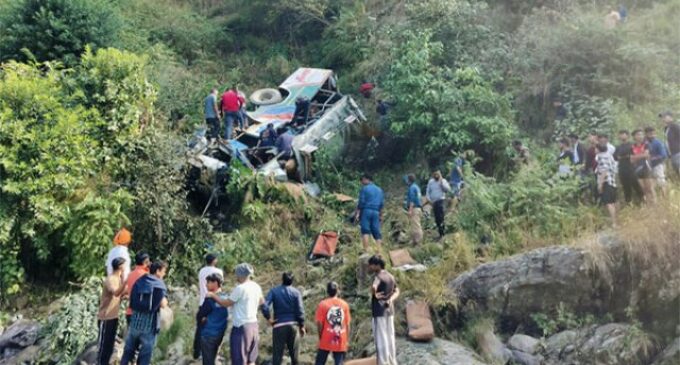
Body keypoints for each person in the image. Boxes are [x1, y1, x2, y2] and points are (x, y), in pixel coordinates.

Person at [209, 263, 264, 365]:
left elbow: (226, 303)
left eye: (237, 274)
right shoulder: (256, 286)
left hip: (241, 328)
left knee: (239, 360)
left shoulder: (240, 288)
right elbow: (261, 302)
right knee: (251, 360)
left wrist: (213, 296)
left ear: (240, 275)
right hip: (254, 326)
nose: (236, 277)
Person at [120, 261, 169, 365]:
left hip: (135, 321)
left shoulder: (140, 281)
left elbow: (132, 300)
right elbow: (163, 304)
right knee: (145, 355)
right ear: (157, 271)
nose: (164, 274)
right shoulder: (159, 284)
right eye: (164, 271)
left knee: (128, 350)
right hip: (149, 324)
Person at [261, 272, 306, 365]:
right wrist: (302, 326)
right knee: (295, 356)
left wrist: (269, 319)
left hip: (279, 325)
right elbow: (300, 311)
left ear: (282, 279)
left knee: (277, 357)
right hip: (293, 325)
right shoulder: (296, 292)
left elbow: (264, 306)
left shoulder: (274, 291)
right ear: (292, 280)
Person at [368, 255, 399, 365]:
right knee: (390, 336)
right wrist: (391, 299)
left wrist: (374, 293)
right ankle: (392, 360)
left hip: (379, 311)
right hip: (389, 311)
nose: (369, 267)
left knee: (381, 337)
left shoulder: (378, 277)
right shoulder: (390, 276)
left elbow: (374, 287)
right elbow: (397, 290)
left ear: (377, 265)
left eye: (371, 265)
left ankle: (383, 362)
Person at [97, 257, 128, 365]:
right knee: (103, 347)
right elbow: (115, 293)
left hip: (114, 317)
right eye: (124, 265)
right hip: (105, 318)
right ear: (120, 266)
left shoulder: (119, 279)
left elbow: (122, 294)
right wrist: (125, 282)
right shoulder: (110, 279)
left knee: (110, 346)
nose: (125, 267)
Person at [193, 254, 224, 359]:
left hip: (203, 301)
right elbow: (220, 286)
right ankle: (213, 353)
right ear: (215, 260)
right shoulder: (218, 272)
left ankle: (197, 352)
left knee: (200, 328)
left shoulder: (201, 271)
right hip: (214, 301)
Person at [314, 282, 351, 365]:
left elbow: (319, 323)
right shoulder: (344, 305)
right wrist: (346, 340)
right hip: (341, 337)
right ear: (337, 291)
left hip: (326, 337)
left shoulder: (322, 304)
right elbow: (347, 324)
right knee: (339, 362)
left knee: (320, 362)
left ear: (327, 291)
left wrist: (320, 336)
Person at [197, 273, 229, 365]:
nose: (206, 285)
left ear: (215, 283)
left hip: (208, 334)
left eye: (208, 282)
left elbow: (200, 315)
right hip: (220, 334)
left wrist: (202, 319)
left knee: (208, 361)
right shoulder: (226, 297)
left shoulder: (210, 299)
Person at [355, 174, 385, 251]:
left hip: (366, 211)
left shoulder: (365, 189)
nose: (362, 182)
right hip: (376, 212)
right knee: (376, 230)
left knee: (365, 230)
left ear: (366, 179)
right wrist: (381, 215)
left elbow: (361, 202)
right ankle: (379, 249)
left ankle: (366, 249)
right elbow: (381, 204)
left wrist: (358, 213)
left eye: (362, 180)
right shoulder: (379, 190)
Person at [614, 130, 644, 204]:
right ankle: (629, 203)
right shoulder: (618, 147)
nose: (622, 136)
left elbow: (635, 155)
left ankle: (643, 201)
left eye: (623, 134)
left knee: (636, 186)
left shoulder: (632, 145)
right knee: (626, 187)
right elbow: (615, 157)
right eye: (620, 134)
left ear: (627, 136)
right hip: (622, 169)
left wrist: (624, 157)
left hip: (631, 168)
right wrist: (621, 157)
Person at [630, 129, 655, 204]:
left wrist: (636, 156)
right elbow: (631, 160)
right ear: (634, 136)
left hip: (646, 167)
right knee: (643, 189)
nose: (640, 136)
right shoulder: (632, 146)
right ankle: (648, 204)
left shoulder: (646, 144)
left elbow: (646, 155)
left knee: (649, 188)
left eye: (641, 134)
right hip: (637, 169)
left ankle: (655, 204)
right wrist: (641, 155)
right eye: (638, 135)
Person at [125, 252, 151, 324]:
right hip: (142, 314)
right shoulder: (146, 276)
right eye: (148, 261)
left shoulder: (130, 275)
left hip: (130, 312)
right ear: (144, 262)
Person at [596, 144, 618, 227]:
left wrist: (600, 184)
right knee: (613, 202)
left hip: (606, 182)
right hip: (612, 181)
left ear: (598, 149)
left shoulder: (601, 157)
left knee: (609, 203)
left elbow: (604, 171)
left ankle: (613, 222)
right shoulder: (609, 156)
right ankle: (615, 220)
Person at [426, 171, 451, 239]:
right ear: (433, 175)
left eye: (438, 174)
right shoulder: (430, 182)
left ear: (440, 175)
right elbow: (428, 191)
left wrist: (441, 183)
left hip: (441, 201)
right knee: (437, 218)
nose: (436, 176)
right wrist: (428, 199)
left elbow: (447, 189)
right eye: (435, 174)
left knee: (441, 217)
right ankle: (440, 233)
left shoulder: (443, 181)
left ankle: (443, 233)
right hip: (434, 202)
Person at [645, 127, 668, 196]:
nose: (651, 135)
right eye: (649, 134)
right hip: (648, 166)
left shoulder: (658, 143)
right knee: (651, 185)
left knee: (661, 182)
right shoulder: (645, 143)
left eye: (653, 134)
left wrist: (653, 158)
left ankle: (665, 197)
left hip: (658, 165)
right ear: (646, 134)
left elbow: (664, 155)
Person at [660, 111, 680, 177]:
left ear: (671, 117)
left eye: (665, 117)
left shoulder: (675, 126)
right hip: (672, 154)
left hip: (678, 153)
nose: (663, 119)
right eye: (662, 117)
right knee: (677, 173)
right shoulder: (667, 128)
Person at [404, 174, 423, 245]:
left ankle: (418, 242)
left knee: (416, 225)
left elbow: (412, 200)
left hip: (415, 208)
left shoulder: (412, 188)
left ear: (409, 180)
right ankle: (414, 240)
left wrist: (410, 210)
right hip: (418, 208)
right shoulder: (417, 187)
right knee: (415, 224)